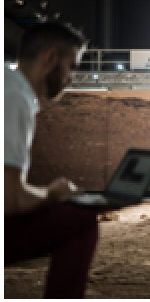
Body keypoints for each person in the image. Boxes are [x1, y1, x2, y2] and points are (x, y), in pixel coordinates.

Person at [4, 23, 98, 298]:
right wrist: (53, 194)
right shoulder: (14, 96)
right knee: (79, 221)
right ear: (50, 59)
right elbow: (10, 200)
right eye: (72, 66)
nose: (71, 78)